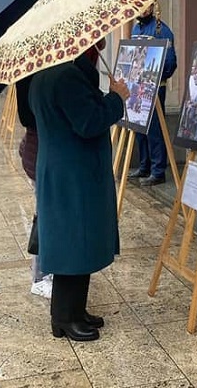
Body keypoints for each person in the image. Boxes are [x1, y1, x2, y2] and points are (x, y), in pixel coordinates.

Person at [29, 41, 129, 342]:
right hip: (73, 173)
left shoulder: (45, 72)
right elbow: (89, 122)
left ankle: (76, 310)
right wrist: (117, 98)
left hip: (63, 168)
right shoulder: (66, 76)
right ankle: (63, 318)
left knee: (77, 241)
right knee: (72, 243)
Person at [127, 4, 177, 186]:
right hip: (137, 86)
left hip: (154, 87)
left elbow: (170, 62)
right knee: (140, 127)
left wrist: (155, 77)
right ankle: (144, 165)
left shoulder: (162, 30)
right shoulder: (135, 29)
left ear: (153, 6)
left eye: (145, 5)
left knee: (154, 129)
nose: (142, 9)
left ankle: (158, 170)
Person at [16, 76, 51, 299]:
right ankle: (40, 277)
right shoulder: (38, 78)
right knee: (45, 217)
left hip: (34, 152)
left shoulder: (27, 74)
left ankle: (44, 272)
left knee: (44, 215)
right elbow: (29, 117)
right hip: (40, 153)